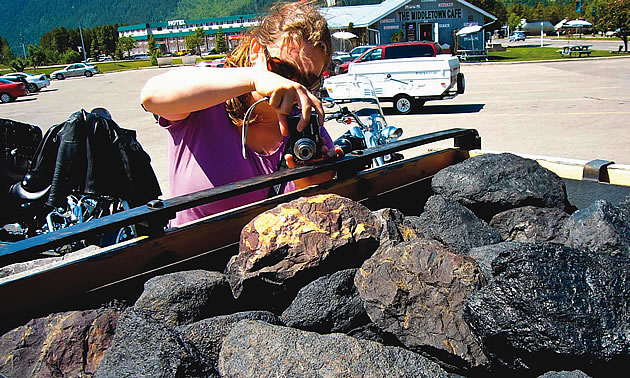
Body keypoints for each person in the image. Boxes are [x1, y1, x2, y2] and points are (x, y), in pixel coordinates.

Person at [140, 1, 341, 227]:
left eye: (307, 81)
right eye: (282, 70)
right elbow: (151, 95)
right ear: (256, 51)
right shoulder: (208, 95)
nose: (291, 85)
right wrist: (254, 79)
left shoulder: (307, 126)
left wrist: (312, 188)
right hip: (193, 255)